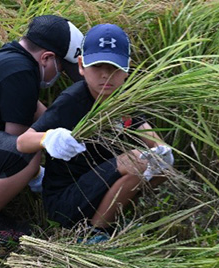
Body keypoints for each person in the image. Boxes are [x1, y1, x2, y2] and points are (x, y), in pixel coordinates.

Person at [16, 24, 174, 236]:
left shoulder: (123, 97)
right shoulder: (72, 101)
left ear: (127, 67)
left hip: (99, 187)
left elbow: (139, 125)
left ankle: (111, 216)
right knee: (138, 161)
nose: (106, 76)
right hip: (65, 200)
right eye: (97, 66)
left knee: (162, 166)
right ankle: (94, 233)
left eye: (114, 68)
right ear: (81, 65)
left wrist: (161, 149)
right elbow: (22, 142)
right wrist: (48, 138)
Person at [0, 15, 84, 243]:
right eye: (63, 69)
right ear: (46, 58)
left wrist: (75, 132)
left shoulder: (10, 59)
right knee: (28, 154)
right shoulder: (22, 73)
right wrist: (38, 174)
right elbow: (17, 141)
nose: (61, 75)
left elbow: (34, 109)